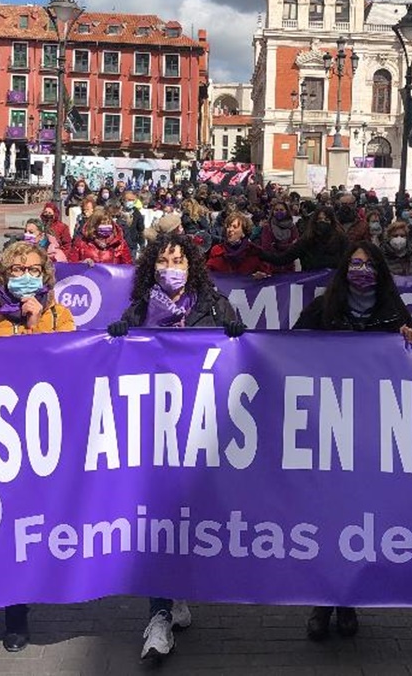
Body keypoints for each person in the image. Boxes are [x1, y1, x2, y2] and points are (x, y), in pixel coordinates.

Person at [104, 233, 246, 659]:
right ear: (152, 266)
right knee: (158, 520)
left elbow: (242, 360)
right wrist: (118, 337)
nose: (172, 266)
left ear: (192, 265)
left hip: (200, 434)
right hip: (154, 436)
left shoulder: (215, 306)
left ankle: (176, 591)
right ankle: (159, 616)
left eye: (179, 259)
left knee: (189, 518)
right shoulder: (140, 310)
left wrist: (238, 334)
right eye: (165, 259)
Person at [294, 241, 412, 642]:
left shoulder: (394, 312)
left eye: (368, 264)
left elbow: (410, 364)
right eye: (354, 263)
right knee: (327, 517)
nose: (361, 269)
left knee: (359, 517)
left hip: (371, 428)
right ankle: (322, 601)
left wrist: (410, 342)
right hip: (327, 426)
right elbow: (293, 346)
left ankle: (349, 600)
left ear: (380, 270)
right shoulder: (322, 308)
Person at [0, 240, 76, 651]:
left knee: (20, 525)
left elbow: (69, 366)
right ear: (3, 273)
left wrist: (37, 321)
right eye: (18, 269)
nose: (27, 277)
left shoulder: (59, 315)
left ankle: (17, 613)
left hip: (33, 439)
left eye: (35, 270)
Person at [260, 206, 349, 272]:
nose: (323, 222)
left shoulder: (341, 239)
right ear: (314, 222)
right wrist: (260, 254)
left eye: (326, 219)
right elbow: (284, 258)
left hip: (334, 287)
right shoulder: (306, 240)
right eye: (319, 219)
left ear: (332, 221)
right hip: (311, 287)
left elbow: (348, 261)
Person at [206, 211, 269, 277]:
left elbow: (266, 274)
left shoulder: (253, 251)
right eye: (228, 227)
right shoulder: (216, 251)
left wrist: (262, 275)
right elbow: (207, 274)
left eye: (235, 227)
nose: (230, 230)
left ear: (243, 232)